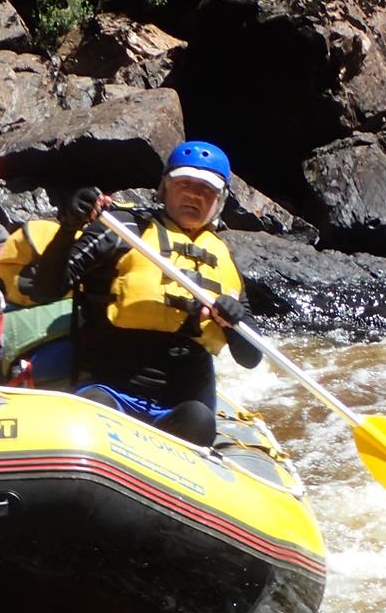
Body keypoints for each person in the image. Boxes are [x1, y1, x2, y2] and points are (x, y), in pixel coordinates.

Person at [16, 140, 262, 447]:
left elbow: (251, 358)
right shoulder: (122, 228)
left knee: (198, 421)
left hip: (182, 404)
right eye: (184, 183)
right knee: (94, 410)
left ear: (219, 201)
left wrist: (236, 323)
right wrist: (68, 228)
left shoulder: (224, 258)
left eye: (206, 190)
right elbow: (44, 291)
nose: (193, 195)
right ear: (165, 188)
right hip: (111, 389)